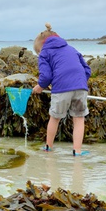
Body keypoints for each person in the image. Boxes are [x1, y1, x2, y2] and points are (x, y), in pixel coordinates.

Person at [31, 23, 92, 156]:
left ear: (41, 46)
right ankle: (77, 151)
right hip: (81, 87)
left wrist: (40, 86)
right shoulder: (72, 49)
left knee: (55, 117)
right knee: (79, 118)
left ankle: (48, 147)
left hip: (61, 89)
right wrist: (79, 82)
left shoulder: (45, 53)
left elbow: (46, 75)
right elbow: (87, 69)